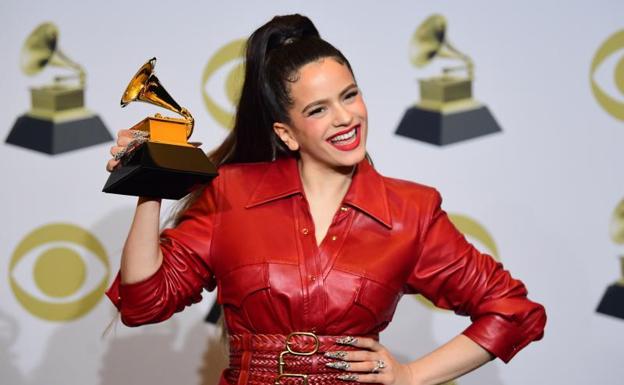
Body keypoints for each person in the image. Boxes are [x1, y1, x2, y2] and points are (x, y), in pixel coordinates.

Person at [105, 14, 546, 385]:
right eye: (318, 109)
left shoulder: (411, 211)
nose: (345, 118)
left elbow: (512, 311)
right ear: (287, 133)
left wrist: (411, 375)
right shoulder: (231, 192)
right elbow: (144, 303)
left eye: (349, 96)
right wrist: (151, 184)